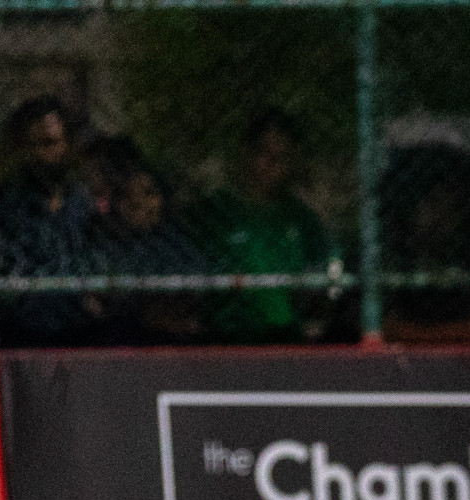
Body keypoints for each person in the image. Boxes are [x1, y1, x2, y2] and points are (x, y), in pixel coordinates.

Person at [189, 108, 335, 344]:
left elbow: (321, 274)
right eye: (265, 153)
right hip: (227, 338)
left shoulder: (300, 217)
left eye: (282, 157)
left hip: (287, 337)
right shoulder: (214, 211)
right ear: (247, 154)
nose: (272, 164)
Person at [0, 96, 97, 347]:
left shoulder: (81, 202)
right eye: (32, 146)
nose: (43, 155)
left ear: (66, 144)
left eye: (51, 143)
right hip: (21, 336)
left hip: (82, 333)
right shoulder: (1, 205)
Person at [88, 150, 210, 345]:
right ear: (120, 204)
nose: (142, 203)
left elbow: (196, 278)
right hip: (126, 339)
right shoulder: (106, 244)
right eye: (130, 197)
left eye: (150, 194)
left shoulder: (175, 240)